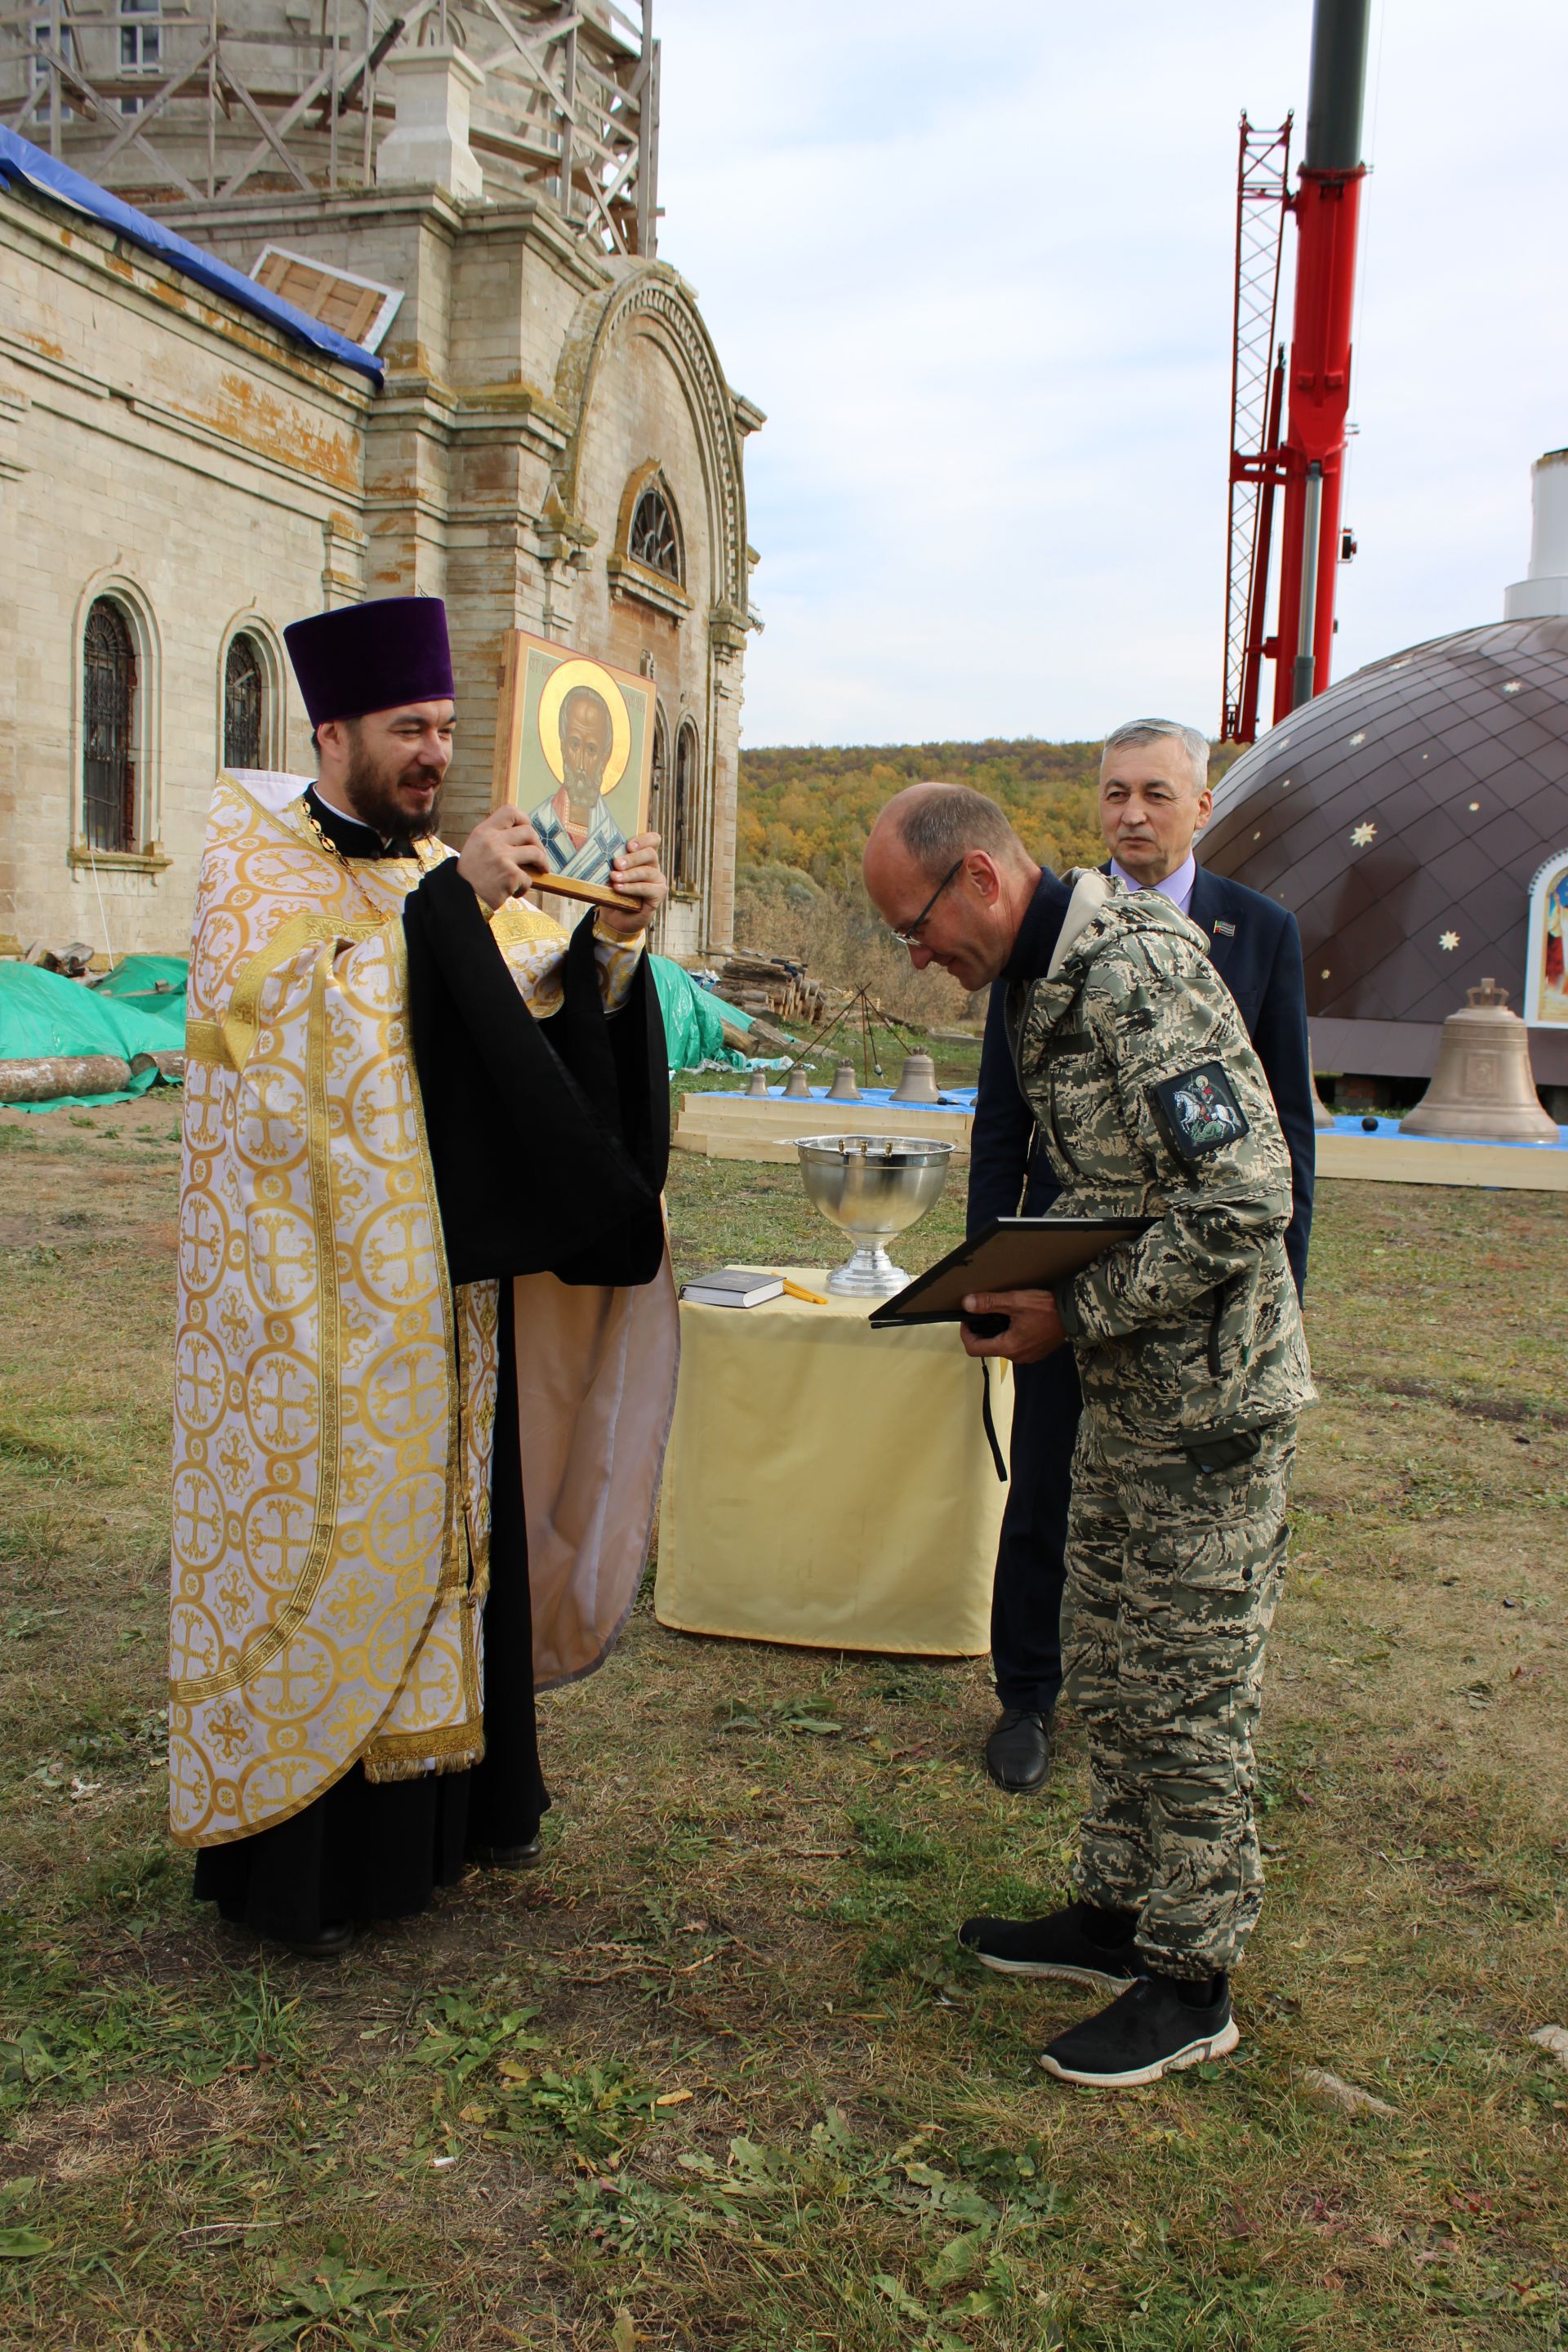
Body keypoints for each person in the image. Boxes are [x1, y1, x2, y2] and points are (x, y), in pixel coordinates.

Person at [171, 596, 676, 1958]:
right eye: (409, 730)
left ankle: (442, 1830)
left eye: (448, 729)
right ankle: (307, 1870)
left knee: (444, 1548)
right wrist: (458, 910)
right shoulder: (247, 854)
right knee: (328, 1558)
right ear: (330, 731)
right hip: (297, 1325)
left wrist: (612, 939)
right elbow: (295, 1027)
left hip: (435, 1310)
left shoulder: (425, 874)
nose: (434, 756)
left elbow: (529, 1018)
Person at [862, 783, 1313, 2087]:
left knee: (1193, 1691)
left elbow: (1246, 1198)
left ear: (984, 882)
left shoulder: (1136, 975)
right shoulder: (1040, 974)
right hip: (1133, 1388)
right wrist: (1011, 1282)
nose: (916, 955)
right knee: (1115, 1662)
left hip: (1212, 1407)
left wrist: (1075, 1309)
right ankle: (1117, 1915)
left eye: (917, 925)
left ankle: (1193, 1976)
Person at [969, 719, 1315, 1797]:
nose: (1132, 814)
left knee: (1165, 1518)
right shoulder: (1045, 935)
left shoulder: (1256, 933)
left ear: (1202, 807)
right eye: (1115, 793)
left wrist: (1280, 1288)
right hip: (1060, 1269)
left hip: (1187, 1283)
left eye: (1156, 794)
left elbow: (1275, 1144)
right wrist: (994, 1269)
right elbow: (1000, 1124)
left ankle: (1154, 1715)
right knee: (1046, 1487)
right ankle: (1027, 1693)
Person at [529, 684, 628, 884]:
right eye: (574, 745)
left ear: (605, 758)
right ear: (562, 746)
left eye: (591, 749)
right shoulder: (535, 825)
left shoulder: (617, 845)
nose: (581, 764)